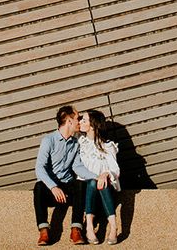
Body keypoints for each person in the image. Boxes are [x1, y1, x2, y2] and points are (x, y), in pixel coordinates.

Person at [34, 105, 97, 246]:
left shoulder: (75, 143)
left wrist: (97, 176)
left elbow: (77, 166)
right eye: (77, 118)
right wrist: (53, 187)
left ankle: (76, 230)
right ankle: (44, 231)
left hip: (68, 187)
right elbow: (39, 168)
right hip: (51, 190)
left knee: (80, 184)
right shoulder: (48, 140)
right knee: (38, 187)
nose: (79, 122)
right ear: (69, 121)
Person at [78, 110, 120, 245]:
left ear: (93, 125)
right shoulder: (80, 143)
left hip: (105, 188)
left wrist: (106, 174)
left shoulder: (107, 146)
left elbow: (115, 169)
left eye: (84, 120)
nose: (80, 122)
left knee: (102, 181)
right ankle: (89, 226)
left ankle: (113, 227)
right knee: (92, 182)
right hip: (86, 188)